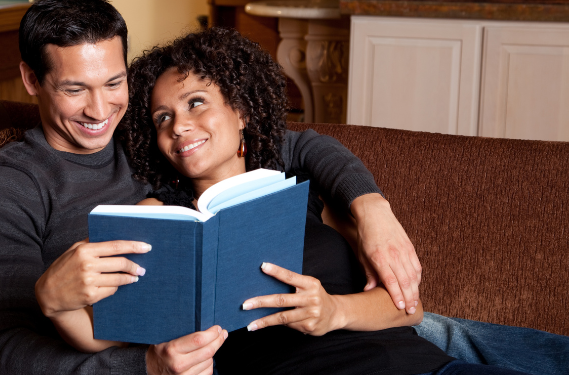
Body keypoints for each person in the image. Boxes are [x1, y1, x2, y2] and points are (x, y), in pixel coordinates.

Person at [0, 0, 425, 374]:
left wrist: (371, 208)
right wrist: (142, 366)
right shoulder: (11, 188)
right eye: (74, 89)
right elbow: (4, 350)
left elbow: (293, 144)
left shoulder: (149, 134)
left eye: (114, 82)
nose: (100, 110)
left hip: (374, 336)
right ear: (31, 79)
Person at [75, 26, 526, 374]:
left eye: (196, 103)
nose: (179, 125)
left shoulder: (303, 190)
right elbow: (105, 329)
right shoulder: (161, 220)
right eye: (163, 118)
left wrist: (334, 310)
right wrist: (55, 300)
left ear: (241, 110)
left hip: (419, 366)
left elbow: (408, 308)